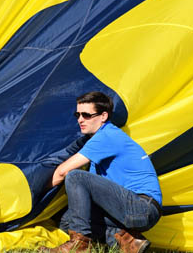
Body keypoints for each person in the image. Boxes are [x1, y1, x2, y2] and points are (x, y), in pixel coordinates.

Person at [43, 91, 162, 253]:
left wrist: (35, 195)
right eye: (77, 114)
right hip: (130, 208)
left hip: (141, 208)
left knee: (76, 176)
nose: (80, 119)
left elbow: (63, 172)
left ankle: (79, 246)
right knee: (66, 221)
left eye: (86, 115)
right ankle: (128, 241)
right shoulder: (97, 140)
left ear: (103, 116)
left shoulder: (107, 136)